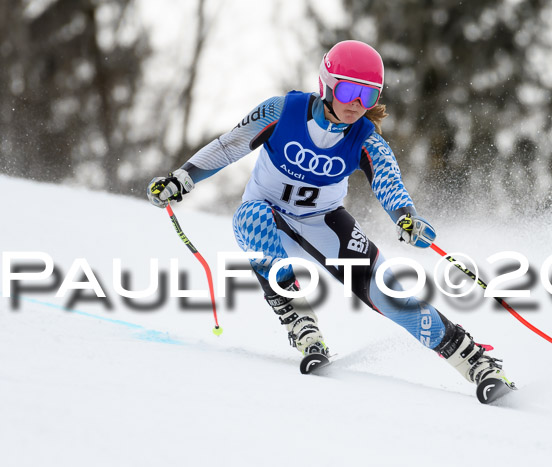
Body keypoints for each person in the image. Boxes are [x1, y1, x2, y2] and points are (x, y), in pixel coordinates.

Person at [147, 40, 509, 388]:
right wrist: (182, 179)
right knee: (250, 217)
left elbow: (388, 181)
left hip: (325, 224)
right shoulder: (282, 111)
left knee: (392, 298)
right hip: (269, 219)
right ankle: (301, 322)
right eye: (349, 91)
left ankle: (474, 361)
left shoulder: (366, 138)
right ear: (327, 85)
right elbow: (229, 145)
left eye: (368, 96)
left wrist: (405, 217)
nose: (357, 104)